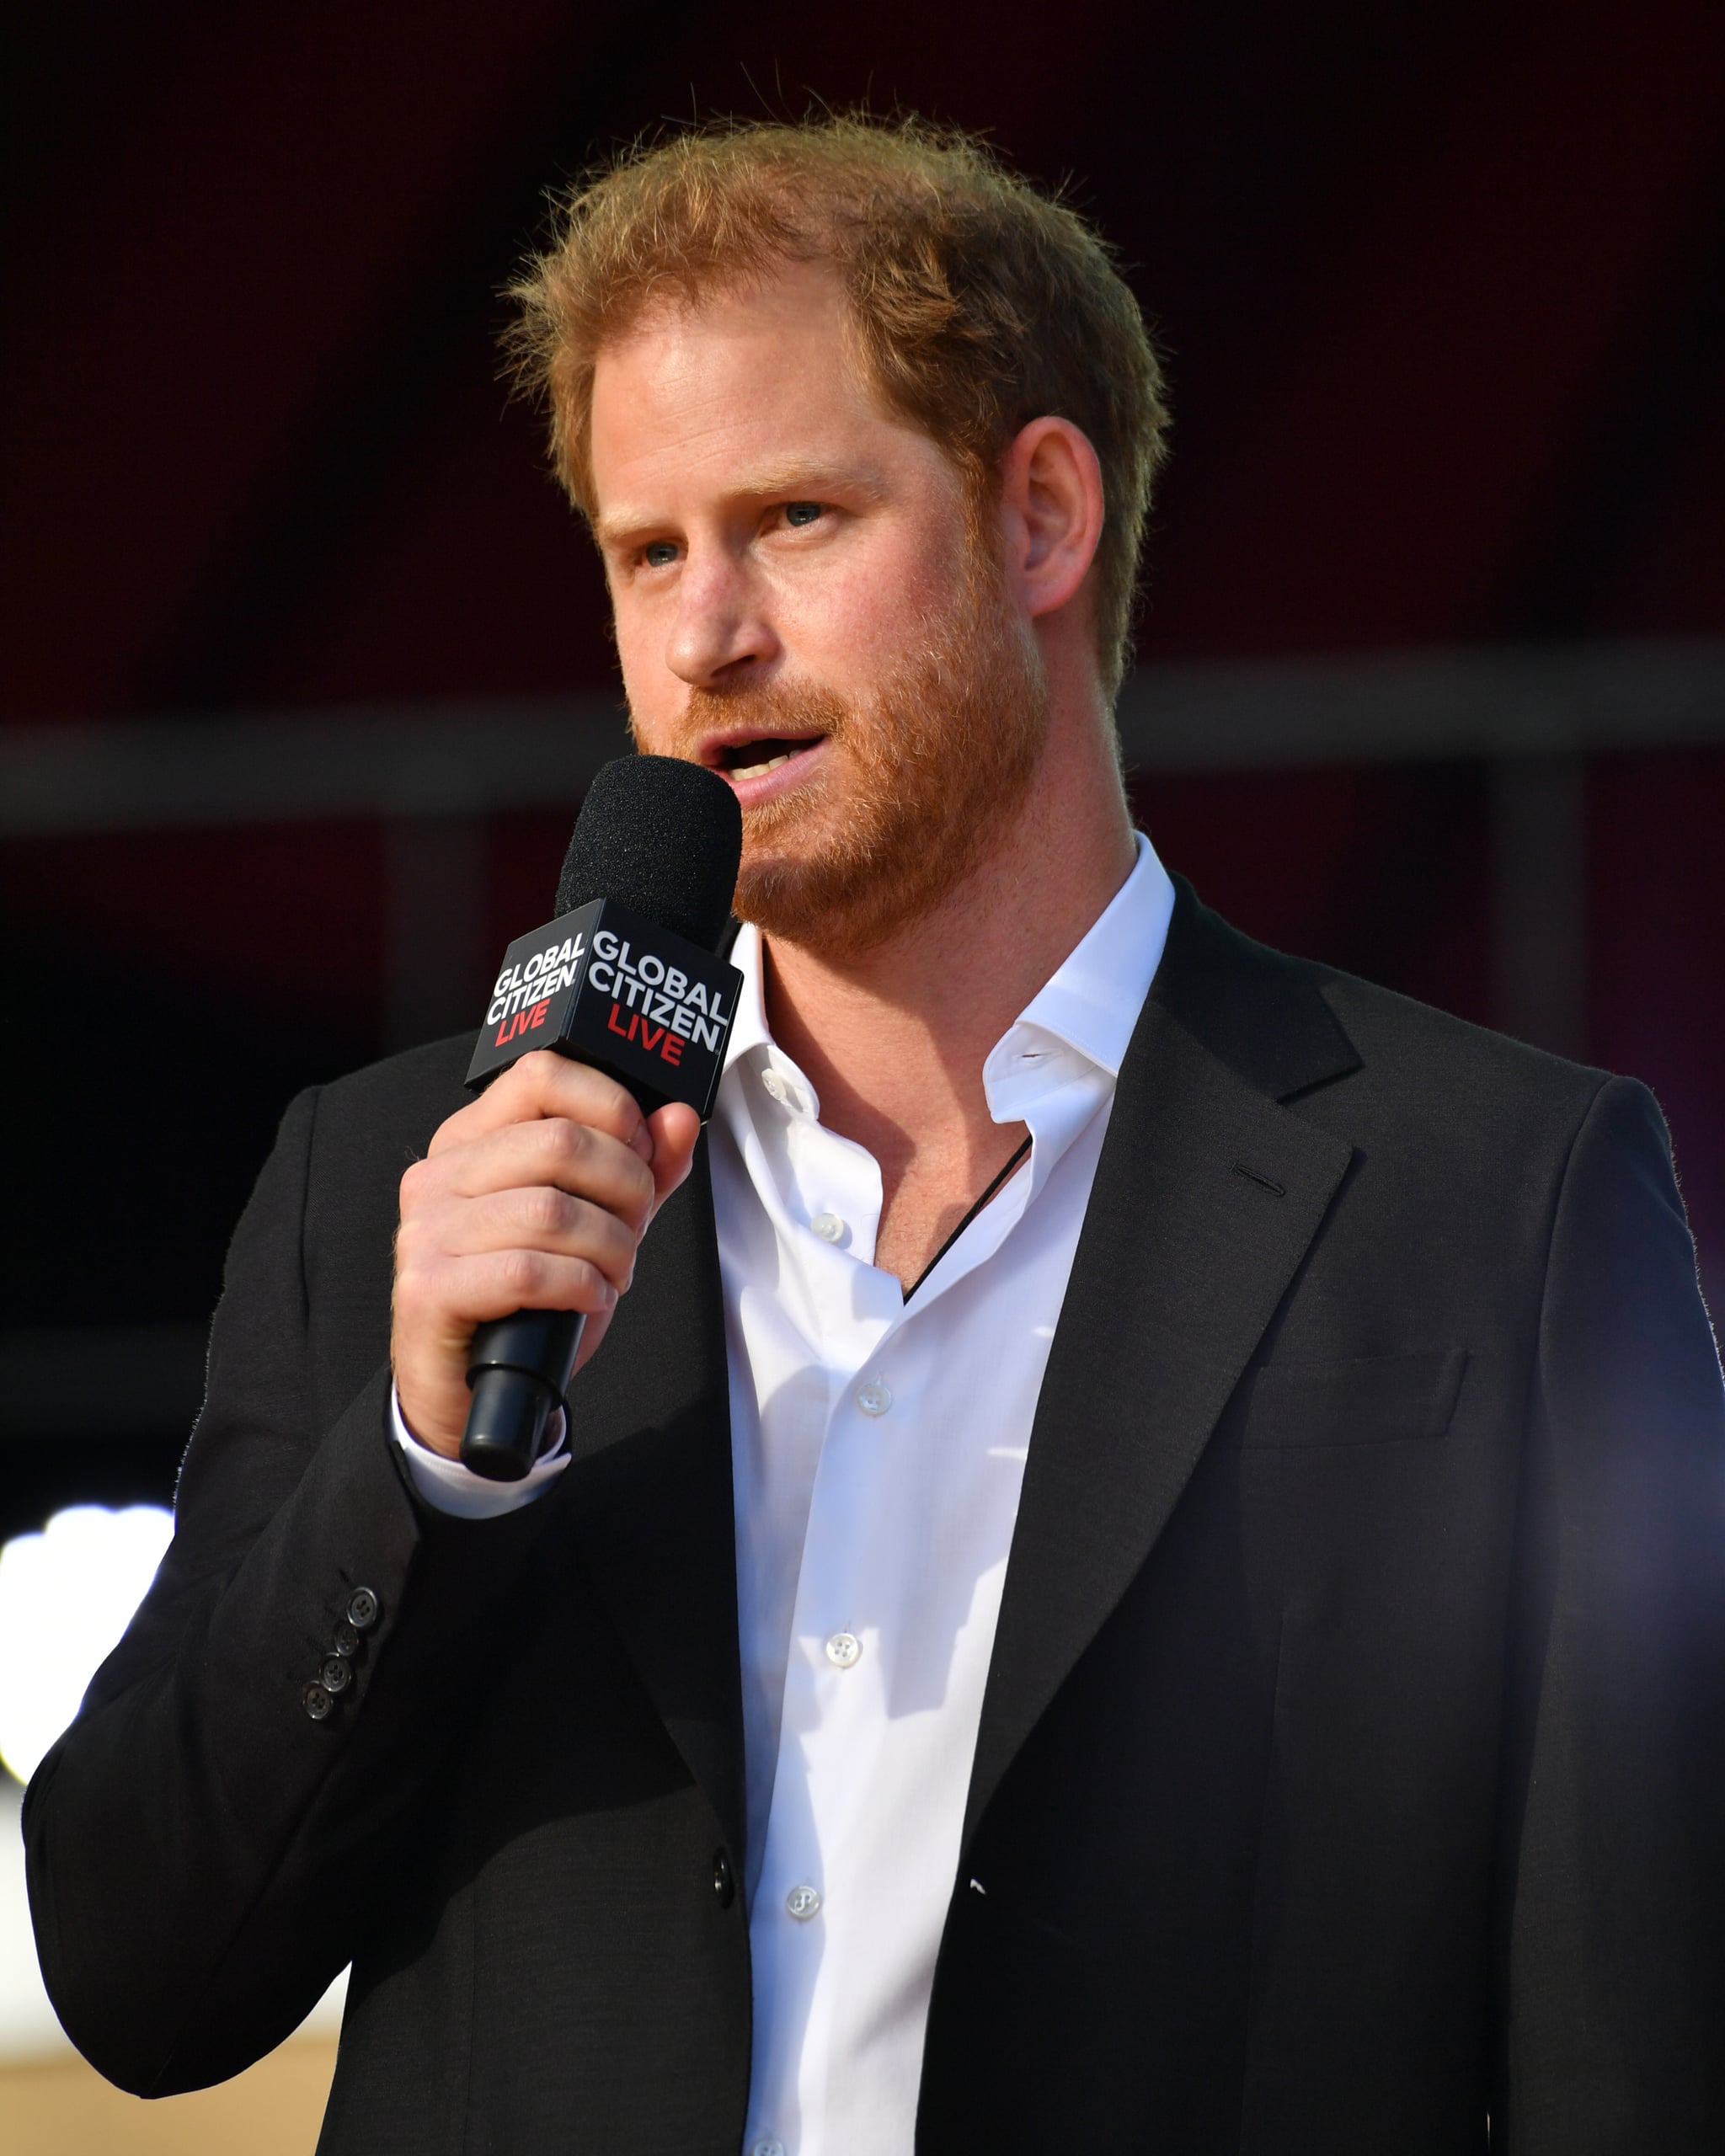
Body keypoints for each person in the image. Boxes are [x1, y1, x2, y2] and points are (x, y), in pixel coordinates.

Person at [24, 116, 1725, 2155]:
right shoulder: (407, 1186)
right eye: (647, 553)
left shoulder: (1498, 1202)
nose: (702, 634)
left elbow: (1633, 2050)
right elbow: (133, 1978)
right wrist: (418, 1476)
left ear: (1040, 516)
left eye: (796, 519)